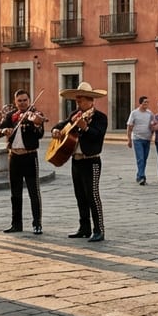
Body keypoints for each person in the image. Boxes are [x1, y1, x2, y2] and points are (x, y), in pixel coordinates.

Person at [52, 82, 109, 242]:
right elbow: (61, 125)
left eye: (81, 100)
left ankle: (99, 229)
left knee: (93, 195)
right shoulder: (75, 114)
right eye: (77, 100)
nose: (78, 103)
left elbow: (97, 135)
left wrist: (85, 128)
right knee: (80, 196)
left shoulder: (100, 117)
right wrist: (55, 129)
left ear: (91, 100)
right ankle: (84, 228)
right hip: (76, 161)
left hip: (91, 161)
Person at [0, 89, 45, 234]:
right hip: (14, 157)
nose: (22, 103)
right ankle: (16, 224)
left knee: (33, 192)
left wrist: (36, 124)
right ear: (15, 102)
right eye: (19, 101)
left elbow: (40, 134)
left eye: (25, 100)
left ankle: (37, 224)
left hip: (30, 156)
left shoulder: (36, 115)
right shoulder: (10, 116)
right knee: (15, 193)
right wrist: (4, 131)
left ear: (29, 101)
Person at [126, 96, 153, 186]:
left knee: (144, 159)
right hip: (137, 139)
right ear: (140, 103)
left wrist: (153, 134)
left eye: (147, 102)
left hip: (147, 139)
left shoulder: (150, 114)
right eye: (145, 102)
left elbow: (153, 125)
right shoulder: (134, 113)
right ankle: (142, 177)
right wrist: (129, 139)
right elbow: (129, 127)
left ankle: (139, 175)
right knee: (140, 158)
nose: (146, 104)